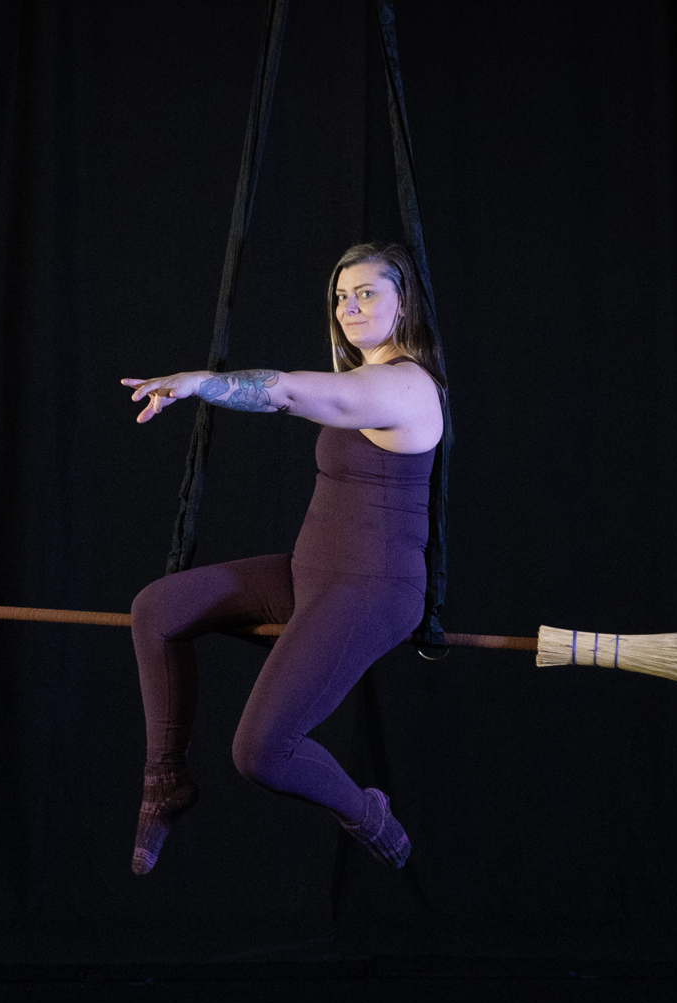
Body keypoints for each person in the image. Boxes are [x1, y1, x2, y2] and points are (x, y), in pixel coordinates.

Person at [121, 242, 446, 875]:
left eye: (367, 293)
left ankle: (367, 812)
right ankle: (164, 779)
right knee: (156, 609)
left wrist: (200, 383)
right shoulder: (360, 380)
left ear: (404, 302)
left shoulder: (405, 383)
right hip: (311, 575)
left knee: (262, 752)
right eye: (342, 297)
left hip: (375, 589)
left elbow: (284, 393)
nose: (350, 307)